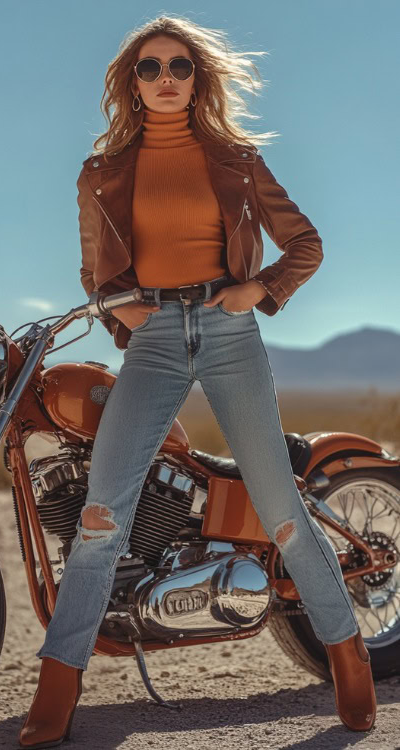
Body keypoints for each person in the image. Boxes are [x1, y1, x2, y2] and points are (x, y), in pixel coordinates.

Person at [19, 16, 376, 748]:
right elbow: (99, 274)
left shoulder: (236, 159)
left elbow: (304, 242)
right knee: (99, 517)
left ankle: (348, 658)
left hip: (228, 333)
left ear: (198, 76)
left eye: (179, 66)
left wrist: (259, 291)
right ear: (131, 82)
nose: (165, 79)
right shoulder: (101, 172)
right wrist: (122, 308)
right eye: (149, 68)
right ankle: (57, 686)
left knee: (282, 512)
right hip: (152, 343)